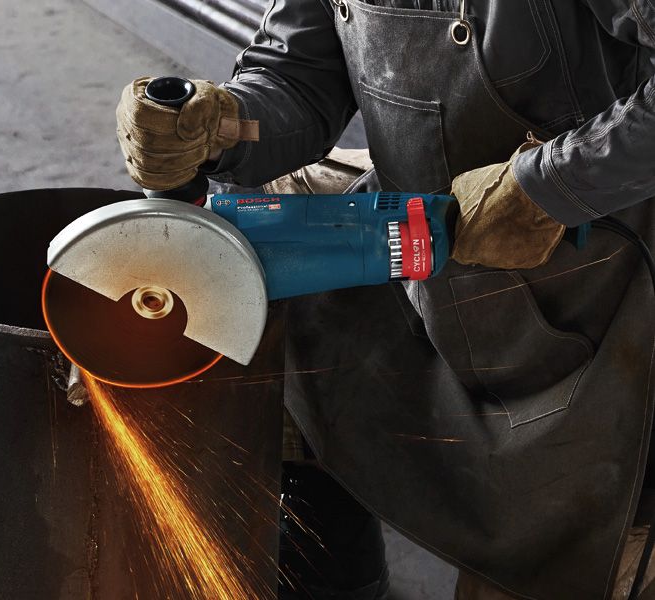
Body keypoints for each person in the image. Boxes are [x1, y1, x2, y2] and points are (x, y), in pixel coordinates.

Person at [116, 1, 655, 598]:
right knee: (258, 275)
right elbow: (300, 78)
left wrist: (549, 187)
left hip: (600, 279)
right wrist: (223, 124)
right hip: (431, 245)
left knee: (551, 565)